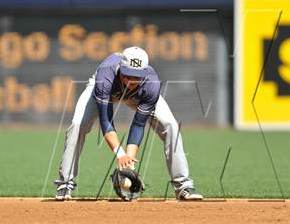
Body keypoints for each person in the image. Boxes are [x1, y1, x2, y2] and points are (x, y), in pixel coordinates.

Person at [54, 46, 203, 201]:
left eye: (138, 76)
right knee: (78, 125)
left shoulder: (151, 84)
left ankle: (183, 186)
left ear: (145, 73)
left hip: (138, 96)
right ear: (121, 69)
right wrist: (120, 154)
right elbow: (106, 120)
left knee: (171, 125)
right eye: (129, 74)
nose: (132, 80)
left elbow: (139, 124)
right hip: (106, 90)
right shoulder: (105, 76)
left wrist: (128, 162)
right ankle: (65, 184)